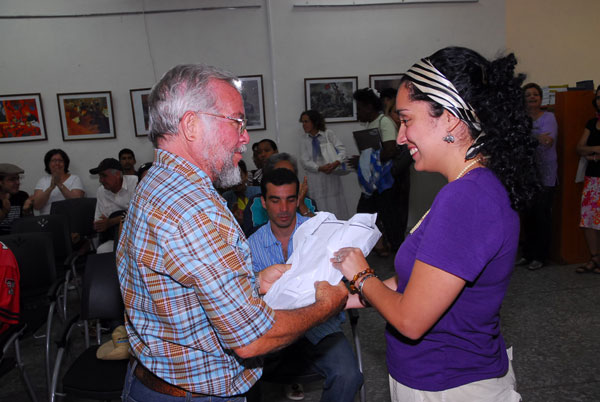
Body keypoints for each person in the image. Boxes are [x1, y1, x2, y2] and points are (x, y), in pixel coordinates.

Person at [117, 64, 347, 401]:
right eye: (237, 121)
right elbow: (252, 338)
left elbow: (183, 296)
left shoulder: (158, 182)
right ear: (192, 125)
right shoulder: (192, 208)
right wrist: (327, 305)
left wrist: (252, 284)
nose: (246, 136)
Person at [331, 47, 538, 401]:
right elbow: (422, 281)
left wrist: (362, 275)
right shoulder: (467, 189)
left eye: (407, 119)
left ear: (450, 119)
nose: (399, 137)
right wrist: (346, 296)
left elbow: (411, 320)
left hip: (449, 385)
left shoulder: (468, 198)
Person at [248, 168, 362, 402]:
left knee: (348, 375)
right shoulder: (250, 244)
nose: (283, 209)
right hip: (273, 329)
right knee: (238, 375)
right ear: (263, 202)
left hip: (319, 326)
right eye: (275, 200)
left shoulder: (320, 234)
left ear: (298, 199)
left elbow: (343, 285)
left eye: (291, 200)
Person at [350, 88, 406, 256]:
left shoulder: (384, 122)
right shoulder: (371, 125)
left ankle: (398, 255)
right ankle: (380, 247)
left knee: (390, 219)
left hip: (385, 182)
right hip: (374, 183)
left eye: (359, 108)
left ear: (369, 107)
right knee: (366, 215)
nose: (358, 112)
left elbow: (390, 150)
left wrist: (362, 160)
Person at [517, 83, 558, 270]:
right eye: (528, 95)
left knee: (542, 215)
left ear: (541, 98)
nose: (532, 97)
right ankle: (527, 254)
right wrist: (535, 137)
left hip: (546, 173)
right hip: (526, 172)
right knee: (527, 216)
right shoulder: (519, 118)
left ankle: (540, 257)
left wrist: (528, 137)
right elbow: (517, 139)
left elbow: (548, 141)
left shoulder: (549, 117)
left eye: (535, 95)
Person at [242, 153, 316, 237]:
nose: (284, 179)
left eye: (289, 174)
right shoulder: (255, 203)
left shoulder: (308, 202)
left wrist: (302, 205)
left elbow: (320, 233)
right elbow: (249, 235)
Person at [299, 110, 349, 219]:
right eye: (302, 122)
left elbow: (342, 150)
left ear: (315, 121)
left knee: (334, 204)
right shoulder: (304, 139)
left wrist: (336, 163)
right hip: (315, 177)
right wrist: (319, 168)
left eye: (306, 121)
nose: (304, 125)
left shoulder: (328, 134)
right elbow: (304, 160)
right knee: (318, 205)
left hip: (331, 175)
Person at [576, 85, 600, 273]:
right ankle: (594, 258)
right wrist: (596, 151)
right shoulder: (592, 123)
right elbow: (580, 148)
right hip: (593, 178)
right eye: (598, 97)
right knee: (589, 220)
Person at [90, 158, 138, 253]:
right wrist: (101, 224)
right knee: (101, 251)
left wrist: (111, 221)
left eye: (104, 176)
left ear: (117, 174)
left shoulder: (135, 183)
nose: (101, 180)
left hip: (138, 236)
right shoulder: (101, 191)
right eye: (100, 176)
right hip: (115, 238)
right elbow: (98, 222)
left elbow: (140, 215)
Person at [32, 149, 85, 215]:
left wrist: (59, 184)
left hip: (69, 218)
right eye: (53, 161)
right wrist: (51, 188)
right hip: (47, 219)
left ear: (65, 163)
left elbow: (77, 202)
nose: (57, 163)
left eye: (60, 161)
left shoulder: (75, 179)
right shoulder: (42, 181)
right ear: (48, 163)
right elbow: (36, 206)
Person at [222, 160, 261, 225]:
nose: (236, 181)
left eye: (239, 176)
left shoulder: (258, 192)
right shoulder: (226, 198)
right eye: (232, 178)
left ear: (246, 175)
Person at [0, 164, 33, 235]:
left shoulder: (22, 196)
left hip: (17, 242)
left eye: (18, 178)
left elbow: (30, 227)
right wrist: (4, 211)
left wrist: (26, 212)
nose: (18, 182)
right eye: (12, 179)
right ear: (1, 182)